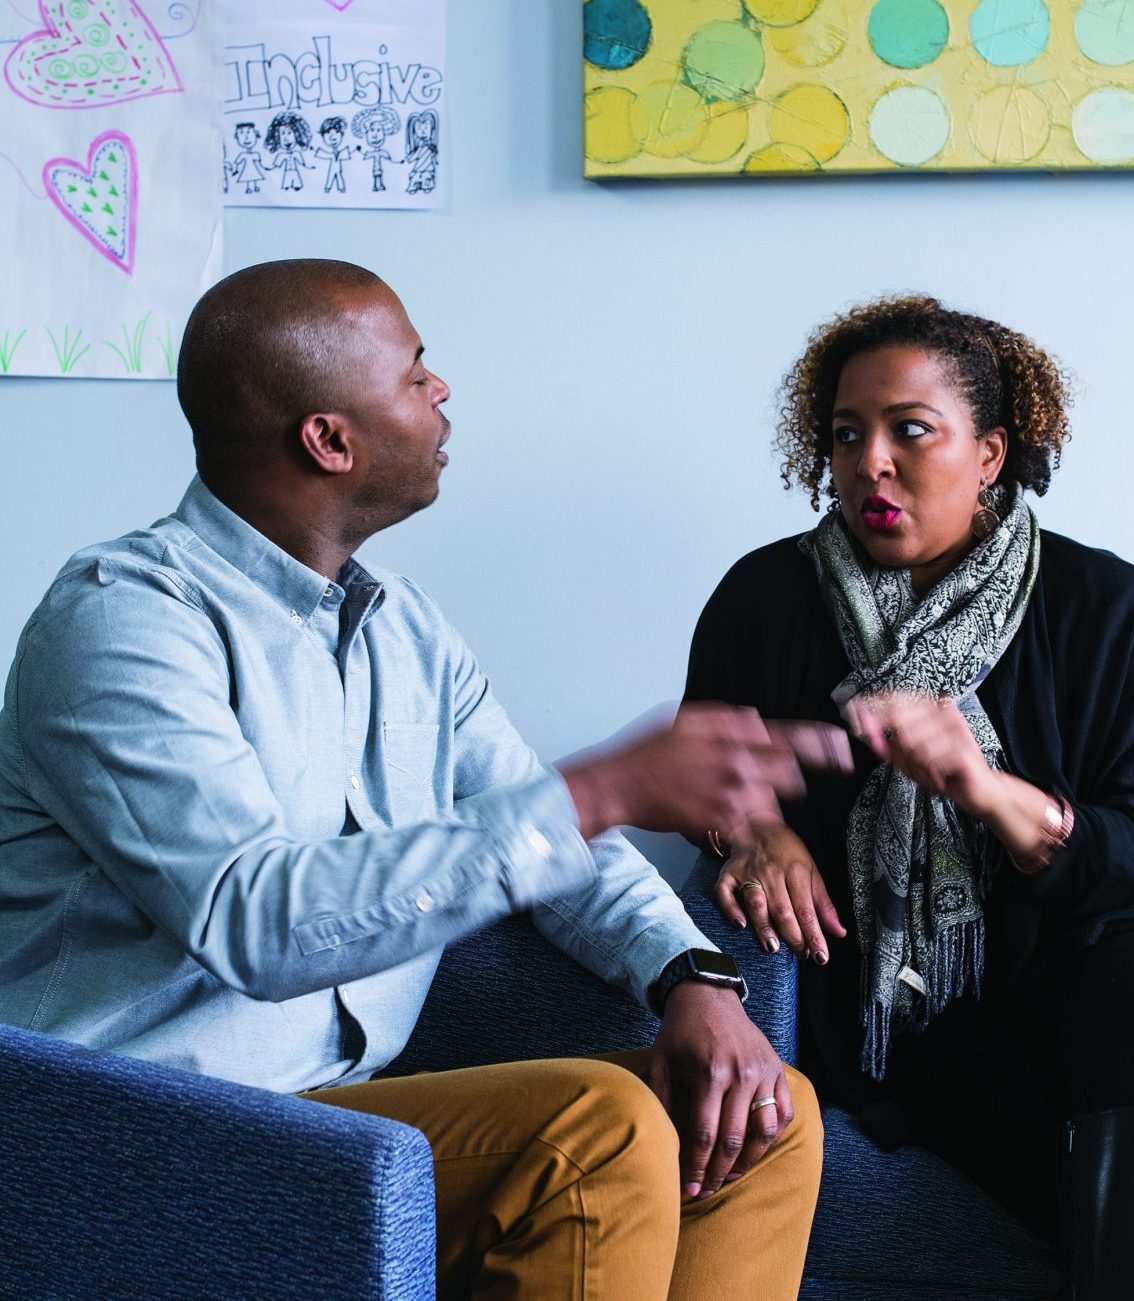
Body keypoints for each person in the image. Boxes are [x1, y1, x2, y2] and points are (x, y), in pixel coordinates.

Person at [0, 259, 852, 1299]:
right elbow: (252, 920)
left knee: (763, 1111)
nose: (442, 390)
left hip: (335, 1125)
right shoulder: (123, 622)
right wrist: (607, 786)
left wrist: (690, 976)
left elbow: (544, 827)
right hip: (122, 1135)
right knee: (596, 1129)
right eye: (414, 373)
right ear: (329, 439)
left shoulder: (401, 625)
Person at [683, 294, 1134, 1299]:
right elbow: (697, 766)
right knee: (1087, 1143)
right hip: (935, 1019)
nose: (869, 461)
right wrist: (754, 830)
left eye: (908, 430)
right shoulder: (765, 599)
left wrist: (988, 790)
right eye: (846, 434)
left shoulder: (1104, 603)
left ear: (990, 452)